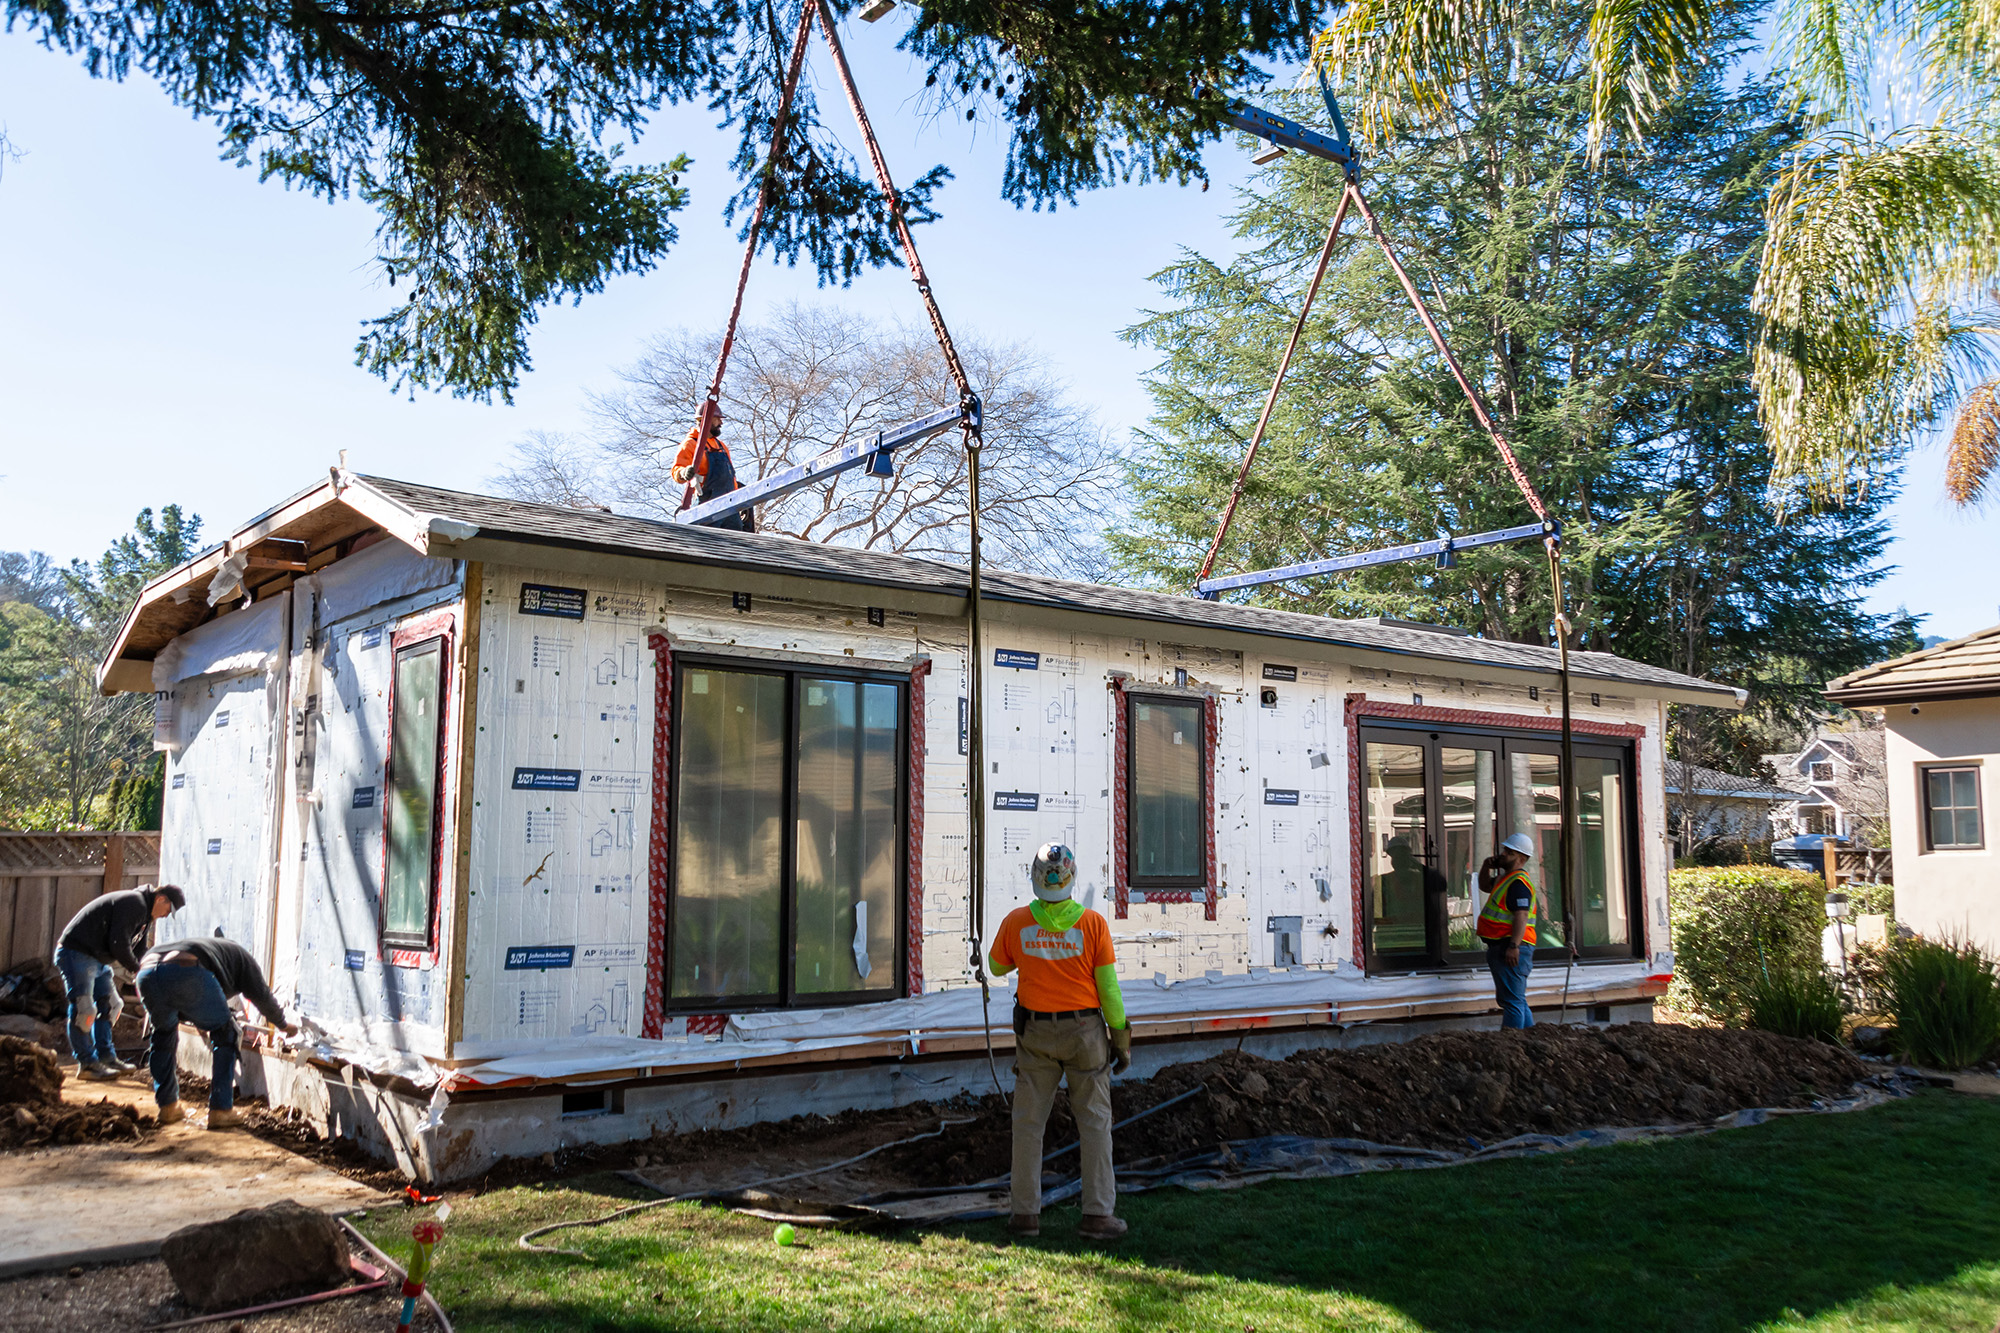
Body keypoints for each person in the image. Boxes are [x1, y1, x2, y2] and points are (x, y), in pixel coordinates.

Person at [985, 843, 1131, 1242]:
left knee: (1028, 1125)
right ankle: (1098, 1216)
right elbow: (1109, 991)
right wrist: (1120, 1036)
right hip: (1084, 1034)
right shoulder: (1092, 925)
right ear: (1071, 878)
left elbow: (997, 966)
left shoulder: (1017, 922)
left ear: (1034, 878)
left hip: (1034, 1035)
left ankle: (1024, 1216)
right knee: (1096, 1123)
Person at [136, 935, 297, 1129]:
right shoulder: (243, 958)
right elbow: (262, 996)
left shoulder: (212, 949)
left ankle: (168, 1106)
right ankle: (221, 1109)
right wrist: (282, 1024)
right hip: (185, 970)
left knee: (163, 1034)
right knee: (227, 1033)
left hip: (145, 973)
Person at [53, 883, 184, 1079]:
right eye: (168, 909)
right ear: (160, 899)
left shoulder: (145, 915)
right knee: (85, 1009)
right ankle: (87, 1064)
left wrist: (148, 971)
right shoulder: (134, 904)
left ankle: (106, 1058)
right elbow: (118, 943)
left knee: (112, 1006)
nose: (166, 915)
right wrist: (136, 969)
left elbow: (138, 948)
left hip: (97, 959)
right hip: (77, 953)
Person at [1476, 832, 1541, 1028]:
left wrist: (1514, 946)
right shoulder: (1506, 879)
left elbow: (1521, 916)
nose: (1503, 854)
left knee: (1512, 1002)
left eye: (1509, 852)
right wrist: (1486, 866)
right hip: (1503, 945)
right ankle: (1529, 1039)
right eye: (1504, 850)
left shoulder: (1518, 883)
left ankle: (1513, 1043)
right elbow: (1485, 885)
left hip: (1510, 947)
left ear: (1521, 858)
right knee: (1516, 999)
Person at [672, 400, 754, 532]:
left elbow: (730, 477)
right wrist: (684, 473)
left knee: (736, 538)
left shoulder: (721, 446)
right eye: (717, 419)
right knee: (707, 537)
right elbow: (677, 470)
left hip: (730, 504)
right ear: (705, 420)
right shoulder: (691, 444)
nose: (721, 423)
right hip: (707, 503)